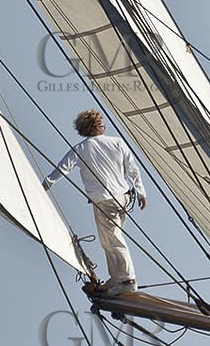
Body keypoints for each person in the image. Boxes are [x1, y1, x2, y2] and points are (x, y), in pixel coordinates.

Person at [43, 109, 148, 296]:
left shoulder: (81, 148)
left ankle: (128, 279)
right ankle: (117, 277)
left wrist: (45, 185)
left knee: (112, 239)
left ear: (83, 130)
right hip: (124, 197)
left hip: (104, 200)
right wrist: (141, 191)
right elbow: (133, 169)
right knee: (110, 238)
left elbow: (62, 169)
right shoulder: (117, 142)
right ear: (100, 126)